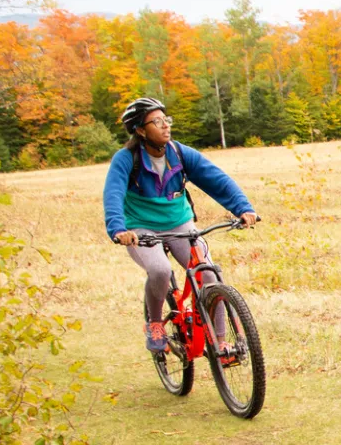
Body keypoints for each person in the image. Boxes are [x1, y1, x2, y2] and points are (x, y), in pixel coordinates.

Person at [102, 97, 259, 354]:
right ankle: (155, 324)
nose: (165, 126)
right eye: (156, 121)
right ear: (140, 130)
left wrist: (243, 208)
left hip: (180, 225)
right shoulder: (126, 159)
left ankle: (220, 342)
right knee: (160, 270)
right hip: (140, 228)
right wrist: (118, 229)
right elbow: (113, 193)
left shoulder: (180, 153)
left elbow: (216, 179)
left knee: (209, 274)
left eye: (166, 119)